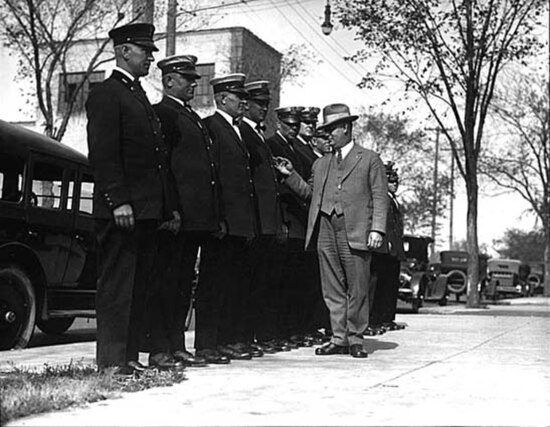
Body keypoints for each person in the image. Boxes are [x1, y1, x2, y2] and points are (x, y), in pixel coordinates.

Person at [86, 23, 183, 375]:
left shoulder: (136, 94)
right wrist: (118, 200)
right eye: (145, 51)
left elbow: (155, 159)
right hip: (122, 211)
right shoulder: (106, 94)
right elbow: (104, 154)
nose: (151, 57)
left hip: (144, 211)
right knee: (117, 286)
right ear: (124, 51)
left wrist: (163, 206)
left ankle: (127, 357)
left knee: (138, 286)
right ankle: (112, 361)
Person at [274, 103, 389, 358]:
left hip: (356, 229)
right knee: (332, 287)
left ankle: (356, 338)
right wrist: (290, 175)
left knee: (357, 287)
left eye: (332, 129)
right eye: (325, 130)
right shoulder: (321, 164)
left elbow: (380, 197)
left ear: (346, 128)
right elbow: (310, 194)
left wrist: (377, 229)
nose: (327, 134)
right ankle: (339, 338)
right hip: (326, 229)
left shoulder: (369, 159)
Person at [152, 54, 226, 366]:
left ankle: (177, 345)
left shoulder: (192, 116)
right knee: (166, 282)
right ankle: (159, 348)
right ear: (169, 80)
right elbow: (163, 168)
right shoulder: (162, 114)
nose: (194, 84)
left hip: (194, 218)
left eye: (194, 79)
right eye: (187, 79)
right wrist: (170, 210)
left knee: (182, 284)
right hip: (176, 216)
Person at [200, 73, 257, 361]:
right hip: (222, 223)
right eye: (239, 98)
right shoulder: (212, 126)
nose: (244, 104)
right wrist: (218, 217)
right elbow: (213, 177)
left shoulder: (235, 130)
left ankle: (226, 340)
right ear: (223, 99)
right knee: (214, 285)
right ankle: (208, 343)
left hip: (238, 223)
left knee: (232, 284)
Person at [239, 80, 285, 353]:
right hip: (254, 220)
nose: (263, 109)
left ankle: (256, 336)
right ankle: (249, 335)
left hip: (266, 221)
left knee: (262, 282)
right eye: (258, 104)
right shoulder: (244, 131)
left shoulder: (256, 133)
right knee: (251, 283)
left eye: (266, 105)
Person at [267, 106, 310, 349]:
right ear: (280, 123)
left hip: (299, 220)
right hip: (286, 218)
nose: (293, 129)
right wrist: (281, 221)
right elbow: (277, 189)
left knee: (294, 282)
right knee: (281, 282)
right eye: (289, 125)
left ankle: (291, 331)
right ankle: (280, 331)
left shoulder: (295, 149)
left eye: (296, 125)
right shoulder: (274, 145)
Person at [369, 162, 407, 333]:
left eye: (396, 182)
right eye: (391, 182)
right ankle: (374, 319)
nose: (395, 185)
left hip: (393, 249)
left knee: (390, 286)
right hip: (384, 248)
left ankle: (386, 318)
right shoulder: (383, 199)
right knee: (379, 286)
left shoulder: (393, 201)